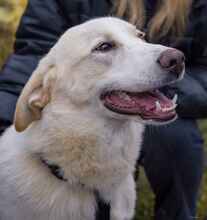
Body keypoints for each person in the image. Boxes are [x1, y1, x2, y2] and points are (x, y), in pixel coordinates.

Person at [0, 0, 206, 219]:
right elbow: (32, 51)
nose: (168, 55)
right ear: (44, 88)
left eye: (139, 36)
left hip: (151, 109)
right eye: (104, 47)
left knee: (179, 138)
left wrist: (168, 89)